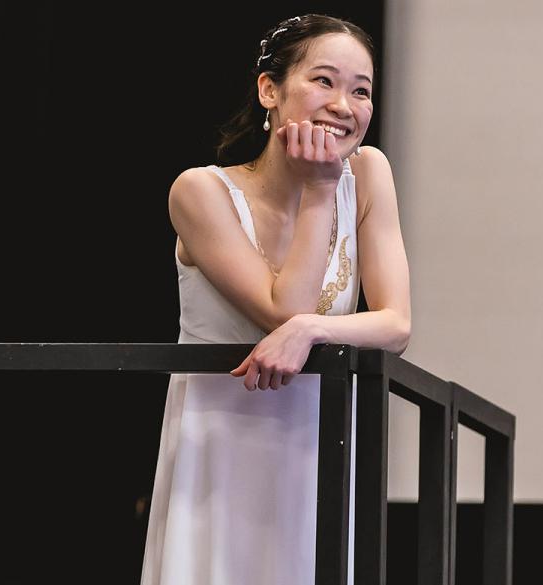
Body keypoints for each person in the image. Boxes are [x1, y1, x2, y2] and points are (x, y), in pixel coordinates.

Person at [140, 14, 411, 585]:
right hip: (219, 450)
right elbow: (284, 309)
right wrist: (319, 188)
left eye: (361, 90)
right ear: (270, 89)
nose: (343, 105)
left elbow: (395, 324)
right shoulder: (200, 190)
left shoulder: (369, 174)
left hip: (318, 444)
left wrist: (314, 330)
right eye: (323, 81)